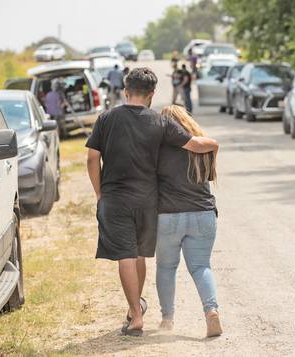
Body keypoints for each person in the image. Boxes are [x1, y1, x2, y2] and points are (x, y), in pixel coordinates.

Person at [86, 68, 218, 337]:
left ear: (125, 90)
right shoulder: (160, 122)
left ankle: (136, 314)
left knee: (127, 256)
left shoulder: (106, 118)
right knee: (140, 255)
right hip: (147, 201)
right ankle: (202, 309)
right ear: (151, 94)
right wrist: (214, 144)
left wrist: (100, 195)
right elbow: (195, 144)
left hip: (115, 199)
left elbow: (92, 159)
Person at [156, 104, 221, 337]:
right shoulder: (201, 145)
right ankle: (211, 311)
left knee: (166, 267)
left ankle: (167, 319)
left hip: (168, 216)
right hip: (203, 215)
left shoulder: (158, 148)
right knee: (201, 266)